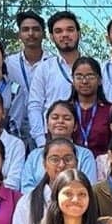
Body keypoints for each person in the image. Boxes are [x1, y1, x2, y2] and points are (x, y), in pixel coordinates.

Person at [28, 11, 85, 147]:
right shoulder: (44, 68)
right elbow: (35, 106)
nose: (65, 35)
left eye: (70, 30)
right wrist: (41, 141)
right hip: (51, 138)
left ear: (79, 33)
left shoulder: (93, 68)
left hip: (86, 136)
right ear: (52, 37)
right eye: (58, 31)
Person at [20, 100, 98, 193]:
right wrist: (47, 197)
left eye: (67, 118)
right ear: (47, 124)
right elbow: (26, 188)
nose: (60, 121)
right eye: (55, 117)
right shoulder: (34, 155)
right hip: (38, 201)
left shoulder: (85, 155)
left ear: (75, 126)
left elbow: (88, 187)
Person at [5, 11, 48, 138]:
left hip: (45, 128)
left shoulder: (53, 64)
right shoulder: (8, 63)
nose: (30, 33)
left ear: (44, 34)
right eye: (25, 29)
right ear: (19, 34)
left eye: (35, 29)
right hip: (15, 127)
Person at [65, 56, 112, 158]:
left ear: (99, 80)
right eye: (79, 76)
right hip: (69, 163)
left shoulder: (110, 111)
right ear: (73, 81)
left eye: (90, 76)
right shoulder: (64, 110)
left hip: (101, 164)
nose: (84, 81)